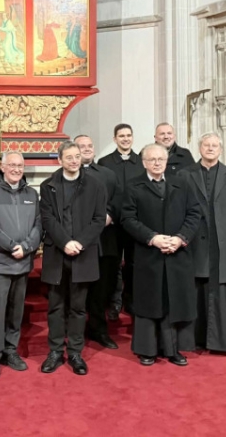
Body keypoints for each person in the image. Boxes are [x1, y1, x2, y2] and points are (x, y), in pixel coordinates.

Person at [122, 143, 201, 366]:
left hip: (177, 253)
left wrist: (180, 238)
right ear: (144, 162)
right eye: (152, 159)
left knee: (173, 301)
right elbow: (128, 219)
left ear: (167, 161)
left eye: (161, 159)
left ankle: (173, 349)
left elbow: (194, 214)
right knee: (149, 303)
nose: (157, 163)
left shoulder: (182, 183)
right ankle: (147, 350)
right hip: (148, 254)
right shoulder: (133, 185)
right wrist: (153, 238)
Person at [39, 141, 106, 375]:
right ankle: (55, 351)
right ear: (59, 160)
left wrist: (80, 242)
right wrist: (65, 242)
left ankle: (75, 352)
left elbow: (99, 219)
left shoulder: (95, 185)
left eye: (77, 156)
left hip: (83, 253)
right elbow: (47, 218)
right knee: (55, 306)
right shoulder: (48, 186)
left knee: (78, 307)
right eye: (69, 157)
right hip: (57, 253)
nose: (74, 161)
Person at [182, 132, 226, 353]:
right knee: (197, 288)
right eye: (206, 145)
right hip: (194, 244)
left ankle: (222, 341)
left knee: (223, 291)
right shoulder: (184, 175)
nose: (210, 148)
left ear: (220, 149)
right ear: (199, 148)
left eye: (214, 145)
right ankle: (195, 339)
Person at [0, 151, 42, 379]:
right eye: (11, 165)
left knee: (16, 313)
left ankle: (10, 351)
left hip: (22, 264)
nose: (16, 169)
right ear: (2, 167)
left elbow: (38, 225)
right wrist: (13, 246)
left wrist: (26, 247)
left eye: (20, 165)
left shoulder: (32, 194)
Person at [75, 134, 122, 350]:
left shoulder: (108, 174)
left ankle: (99, 330)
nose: (86, 149)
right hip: (77, 241)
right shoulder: (68, 175)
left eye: (89, 145)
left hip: (104, 240)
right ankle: (75, 332)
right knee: (78, 291)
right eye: (81, 146)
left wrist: (109, 215)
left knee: (102, 289)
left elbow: (117, 199)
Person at [99, 123, 145, 317]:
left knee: (134, 262)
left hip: (136, 222)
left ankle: (131, 300)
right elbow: (102, 193)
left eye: (128, 135)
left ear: (132, 137)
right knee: (114, 263)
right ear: (115, 139)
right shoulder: (104, 162)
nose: (125, 139)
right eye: (121, 136)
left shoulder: (142, 161)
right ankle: (115, 301)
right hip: (113, 223)